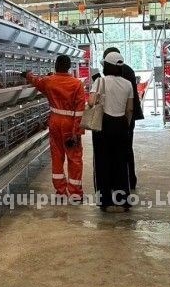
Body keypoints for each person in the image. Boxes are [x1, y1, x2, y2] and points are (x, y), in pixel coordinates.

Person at [24, 55, 86, 199]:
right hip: (71, 122)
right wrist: (77, 132)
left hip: (55, 120)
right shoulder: (77, 84)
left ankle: (60, 192)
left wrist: (27, 75)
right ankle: (75, 193)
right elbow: (80, 110)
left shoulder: (49, 81)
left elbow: (36, 81)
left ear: (56, 66)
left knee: (57, 155)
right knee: (74, 157)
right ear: (69, 67)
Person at [89, 51, 134, 211]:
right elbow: (129, 109)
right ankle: (123, 200)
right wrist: (126, 125)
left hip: (103, 124)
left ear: (106, 66)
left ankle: (105, 201)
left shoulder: (100, 81)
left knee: (102, 162)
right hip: (121, 124)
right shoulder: (128, 84)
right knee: (121, 162)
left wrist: (99, 97)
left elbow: (91, 102)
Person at [102, 47, 144, 189]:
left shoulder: (110, 76)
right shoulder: (128, 70)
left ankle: (115, 182)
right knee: (126, 149)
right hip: (127, 118)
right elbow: (130, 103)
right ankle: (130, 180)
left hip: (114, 118)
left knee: (111, 151)